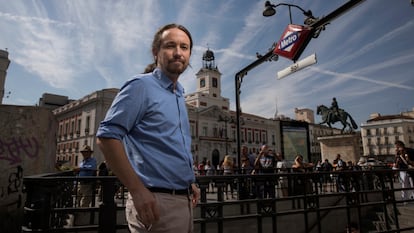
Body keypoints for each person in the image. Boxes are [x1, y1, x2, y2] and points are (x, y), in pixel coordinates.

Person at [96, 23, 200, 233]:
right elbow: (107, 137)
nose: (178, 53)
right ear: (156, 52)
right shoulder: (141, 86)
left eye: (184, 47)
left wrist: (189, 182)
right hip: (155, 202)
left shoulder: (179, 94)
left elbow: (169, 145)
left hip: (183, 199)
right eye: (171, 46)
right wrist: (137, 190)